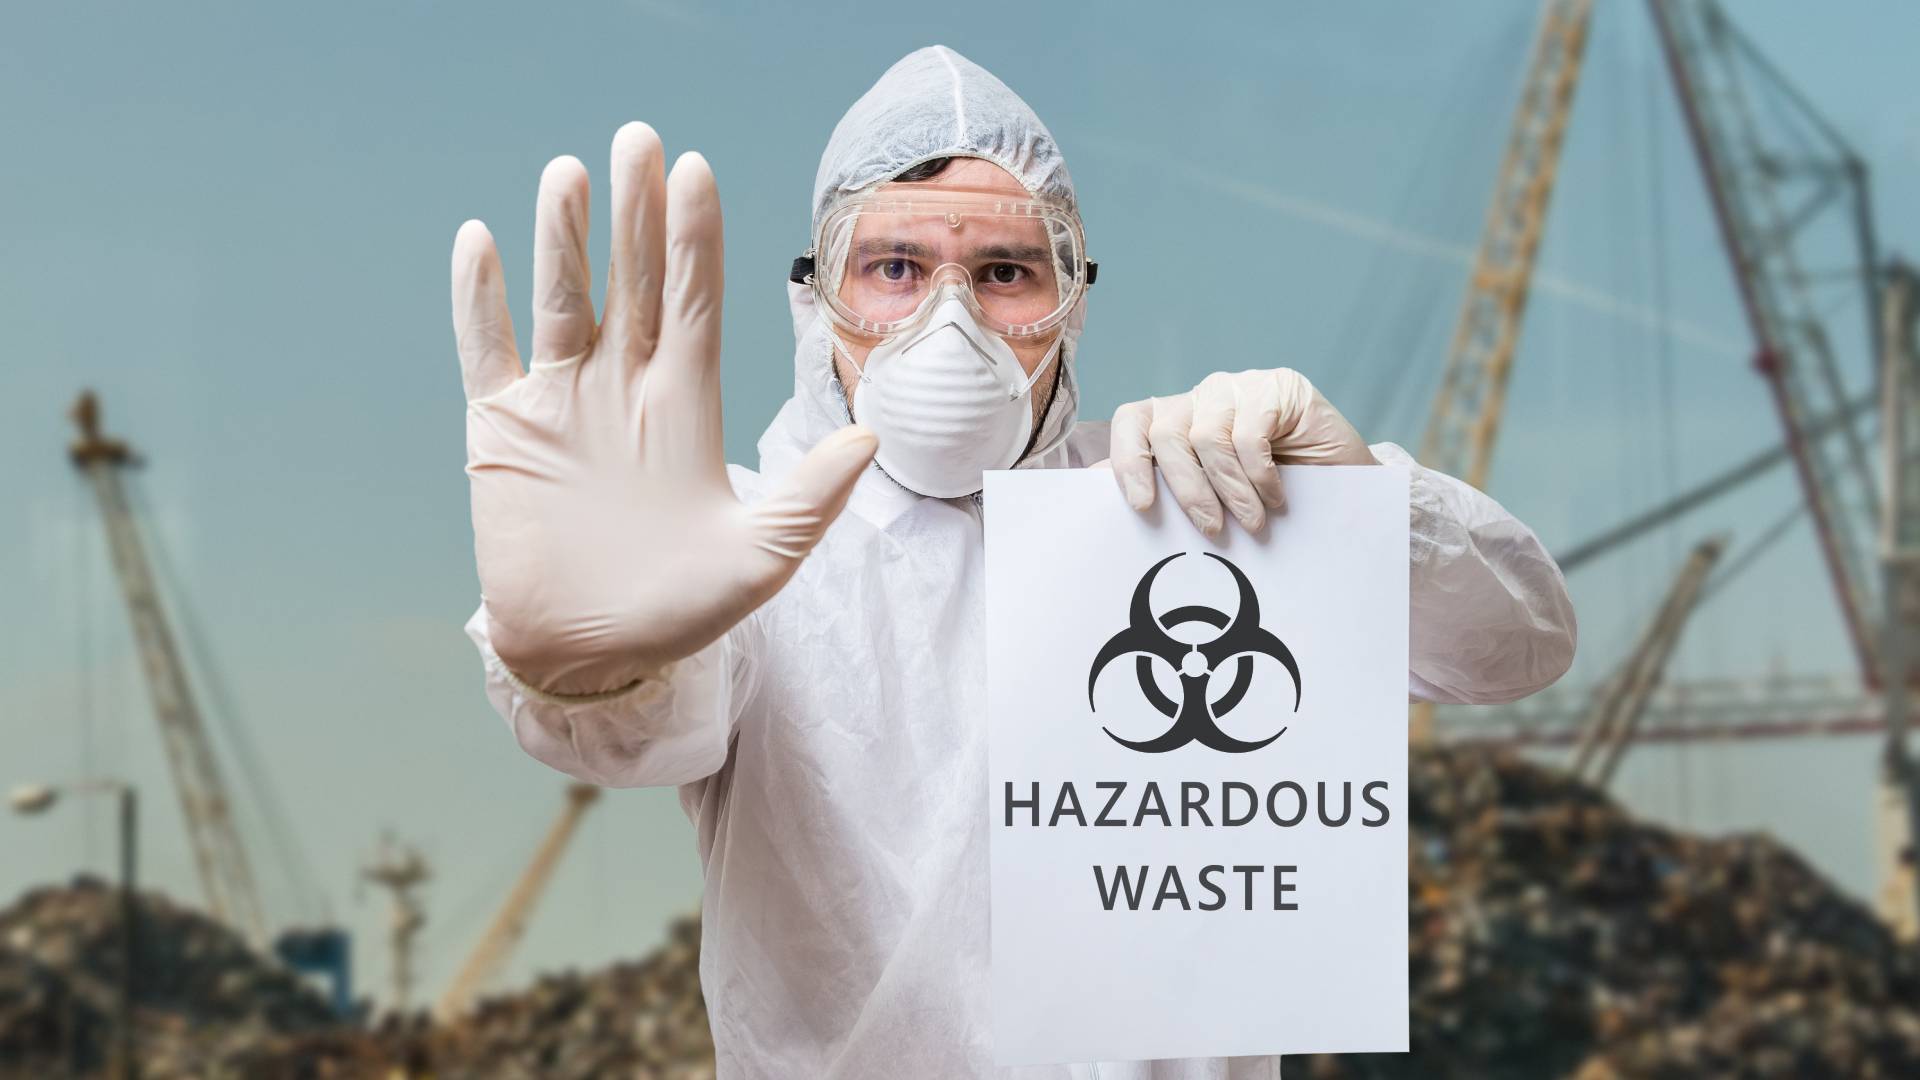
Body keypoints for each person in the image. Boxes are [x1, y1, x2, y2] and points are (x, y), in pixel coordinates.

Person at [450, 45, 1575, 1080]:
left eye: (1006, 273)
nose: (951, 320)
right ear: (816, 301)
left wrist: (1361, 516)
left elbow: (1516, 644)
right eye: (893, 267)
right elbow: (655, 731)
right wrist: (580, 663)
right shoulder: (738, 551)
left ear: (1072, 304)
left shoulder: (1190, 506)